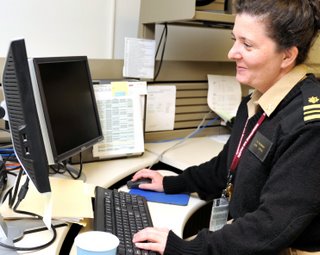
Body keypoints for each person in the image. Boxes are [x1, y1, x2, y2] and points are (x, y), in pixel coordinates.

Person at [130, 0, 320, 254]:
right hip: (247, 237)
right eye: (234, 40)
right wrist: (173, 183)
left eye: (247, 44)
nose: (232, 53)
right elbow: (226, 168)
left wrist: (187, 249)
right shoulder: (256, 101)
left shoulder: (309, 124)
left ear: (287, 55)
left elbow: (271, 225)